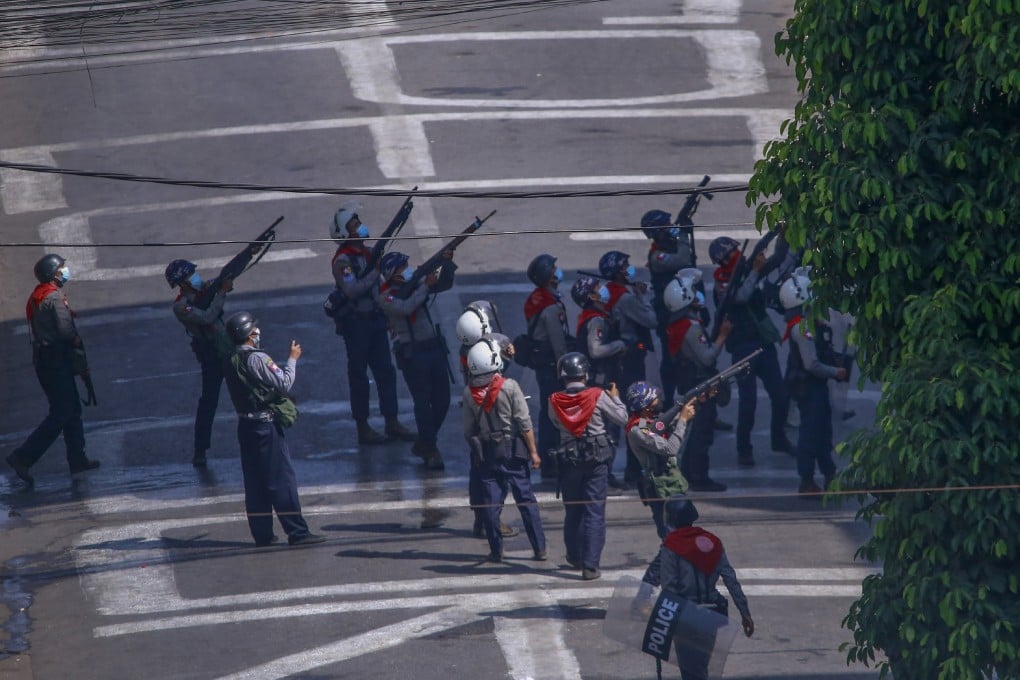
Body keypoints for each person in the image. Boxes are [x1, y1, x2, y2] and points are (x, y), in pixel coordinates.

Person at [221, 311, 325, 547]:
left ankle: (262, 534)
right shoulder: (257, 358)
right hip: (265, 426)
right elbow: (284, 382)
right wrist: (293, 358)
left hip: (245, 425)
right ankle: (297, 532)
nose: (258, 332)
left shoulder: (229, 359)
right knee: (281, 479)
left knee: (255, 482)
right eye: (254, 330)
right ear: (249, 335)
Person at [6, 255, 100, 488]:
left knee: (72, 410)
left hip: (46, 361)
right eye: (61, 269)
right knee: (61, 412)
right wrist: (77, 342)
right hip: (56, 361)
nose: (65, 271)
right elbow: (66, 331)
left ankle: (77, 459)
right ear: (53, 274)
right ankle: (23, 457)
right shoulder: (54, 297)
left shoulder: (39, 296)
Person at [328, 204, 416, 445]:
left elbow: (378, 288)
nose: (360, 227)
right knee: (358, 375)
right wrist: (374, 272)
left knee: (386, 372)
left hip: (375, 321)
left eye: (358, 222)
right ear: (344, 234)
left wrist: (388, 317)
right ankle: (363, 426)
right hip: (356, 325)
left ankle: (392, 421)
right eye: (354, 225)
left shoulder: (367, 254)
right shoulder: (343, 261)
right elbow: (352, 289)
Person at [710, 236, 795, 467]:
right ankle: (743, 449)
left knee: (781, 395)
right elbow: (740, 297)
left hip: (762, 343)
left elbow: (777, 260)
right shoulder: (722, 281)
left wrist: (782, 236)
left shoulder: (747, 268)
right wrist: (755, 271)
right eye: (732, 253)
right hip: (742, 347)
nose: (738, 255)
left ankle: (779, 438)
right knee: (748, 402)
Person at [462, 338, 547, 563]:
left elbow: (468, 431)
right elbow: (525, 423)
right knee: (526, 501)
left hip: (489, 452)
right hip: (514, 452)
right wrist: (534, 453)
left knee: (491, 504)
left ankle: (496, 551)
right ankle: (539, 549)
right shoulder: (509, 387)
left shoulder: (469, 393)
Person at [548, 352, 628, 580]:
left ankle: (574, 555)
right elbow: (622, 418)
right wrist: (615, 398)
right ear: (585, 373)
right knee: (594, 511)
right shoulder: (597, 395)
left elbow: (554, 422)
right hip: (596, 460)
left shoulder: (553, 399)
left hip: (568, 460)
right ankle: (591, 565)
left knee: (573, 510)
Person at [656, 496, 754, 680]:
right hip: (713, 614)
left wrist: (662, 623)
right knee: (702, 665)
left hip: (685, 615)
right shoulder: (712, 542)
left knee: (690, 671)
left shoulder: (671, 546)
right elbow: (730, 579)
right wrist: (745, 612)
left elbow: (669, 589)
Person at [377, 250, 456, 471]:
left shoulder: (416, 283)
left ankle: (424, 441)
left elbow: (443, 284)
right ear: (393, 273)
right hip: (412, 354)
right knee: (422, 403)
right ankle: (430, 448)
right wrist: (424, 286)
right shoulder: (386, 297)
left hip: (434, 348)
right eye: (402, 267)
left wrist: (445, 263)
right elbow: (405, 307)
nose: (407, 270)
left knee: (443, 400)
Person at [625, 382, 697, 614]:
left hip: (670, 486)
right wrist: (683, 420)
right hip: (661, 491)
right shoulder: (638, 429)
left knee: (680, 542)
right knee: (671, 544)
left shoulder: (649, 423)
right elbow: (670, 448)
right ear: (646, 406)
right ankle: (644, 597)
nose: (659, 400)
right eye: (654, 398)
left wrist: (690, 407)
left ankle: (676, 593)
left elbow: (665, 426)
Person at [779, 270, 848, 494]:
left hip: (813, 386)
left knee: (822, 431)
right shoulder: (803, 328)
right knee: (811, 433)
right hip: (809, 387)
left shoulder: (808, 323)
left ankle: (829, 473)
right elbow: (812, 365)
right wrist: (835, 372)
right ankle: (807, 479)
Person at [455, 303, 518, 541]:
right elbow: (500, 372)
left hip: (475, 417)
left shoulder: (467, 349)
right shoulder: (483, 351)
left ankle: (481, 519)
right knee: (496, 472)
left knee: (478, 468)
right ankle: (492, 519)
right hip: (493, 417)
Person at [664, 269, 730, 492]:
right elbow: (707, 357)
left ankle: (692, 472)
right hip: (699, 385)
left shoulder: (680, 325)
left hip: (690, 383)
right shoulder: (691, 329)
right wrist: (722, 335)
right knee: (702, 433)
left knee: (695, 433)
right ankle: (698, 476)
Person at [164, 258, 234, 468]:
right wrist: (221, 292)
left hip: (227, 346)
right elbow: (207, 317)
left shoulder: (204, 290)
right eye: (190, 276)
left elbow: (220, 280)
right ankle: (200, 450)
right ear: (182, 283)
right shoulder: (181, 306)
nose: (195, 277)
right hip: (211, 353)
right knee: (209, 401)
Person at [598, 250, 658, 486]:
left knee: (619, 416)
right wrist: (641, 297)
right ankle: (632, 469)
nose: (629, 269)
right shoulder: (626, 297)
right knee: (634, 414)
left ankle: (617, 469)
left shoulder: (610, 293)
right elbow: (651, 320)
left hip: (618, 362)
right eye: (626, 266)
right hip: (630, 362)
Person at [571, 275, 628, 493]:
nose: (602, 289)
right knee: (609, 430)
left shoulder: (595, 315)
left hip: (596, 381)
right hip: (600, 382)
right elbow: (595, 350)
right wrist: (619, 345)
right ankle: (604, 473)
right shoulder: (596, 319)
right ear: (591, 296)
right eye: (597, 288)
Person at [521, 254, 573, 480]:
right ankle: (551, 461)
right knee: (553, 413)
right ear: (548, 276)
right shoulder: (550, 307)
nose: (557, 271)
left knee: (548, 410)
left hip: (544, 363)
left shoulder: (539, 298)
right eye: (554, 268)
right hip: (551, 365)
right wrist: (567, 373)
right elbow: (559, 344)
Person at [642, 210, 692, 409]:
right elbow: (683, 260)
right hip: (669, 314)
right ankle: (670, 400)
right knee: (672, 358)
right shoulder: (657, 256)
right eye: (666, 226)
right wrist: (684, 235)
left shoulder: (667, 248)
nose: (671, 228)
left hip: (683, 307)